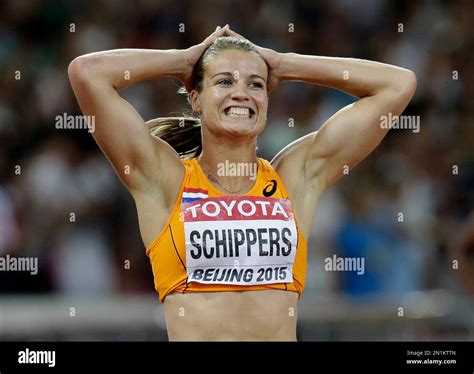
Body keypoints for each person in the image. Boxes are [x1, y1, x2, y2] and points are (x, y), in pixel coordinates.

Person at [67, 24, 416, 341]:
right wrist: (183, 60)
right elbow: (87, 72)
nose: (241, 93)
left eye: (255, 84)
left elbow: (398, 85)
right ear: (195, 98)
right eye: (224, 82)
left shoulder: (294, 179)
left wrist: (284, 64)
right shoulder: (164, 181)